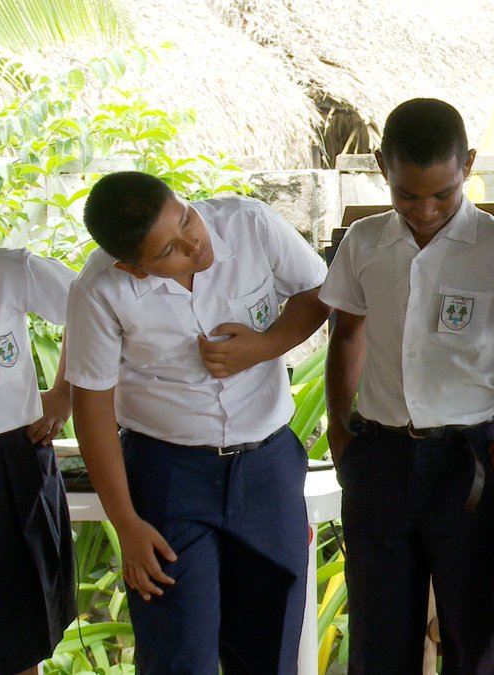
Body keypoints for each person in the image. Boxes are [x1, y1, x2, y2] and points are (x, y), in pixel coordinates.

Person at [321, 98, 494, 675]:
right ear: (383, 166)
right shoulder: (364, 242)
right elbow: (347, 333)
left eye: (443, 193)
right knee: (380, 636)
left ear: (470, 165)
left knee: (476, 629)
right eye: (408, 195)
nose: (426, 209)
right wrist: (339, 424)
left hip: (469, 463)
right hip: (378, 457)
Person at [65, 172, 330, 673]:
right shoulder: (99, 288)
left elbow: (320, 291)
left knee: (270, 645)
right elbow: (93, 408)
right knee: (177, 652)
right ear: (132, 267)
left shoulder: (248, 223)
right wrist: (126, 523)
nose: (194, 242)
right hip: (168, 476)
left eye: (185, 217)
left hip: (267, 464)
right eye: (169, 250)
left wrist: (263, 346)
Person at [0, 203, 76, 675]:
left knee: (18, 632)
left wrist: (64, 392)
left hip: (9, 469)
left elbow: (95, 308)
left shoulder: (10, 271)